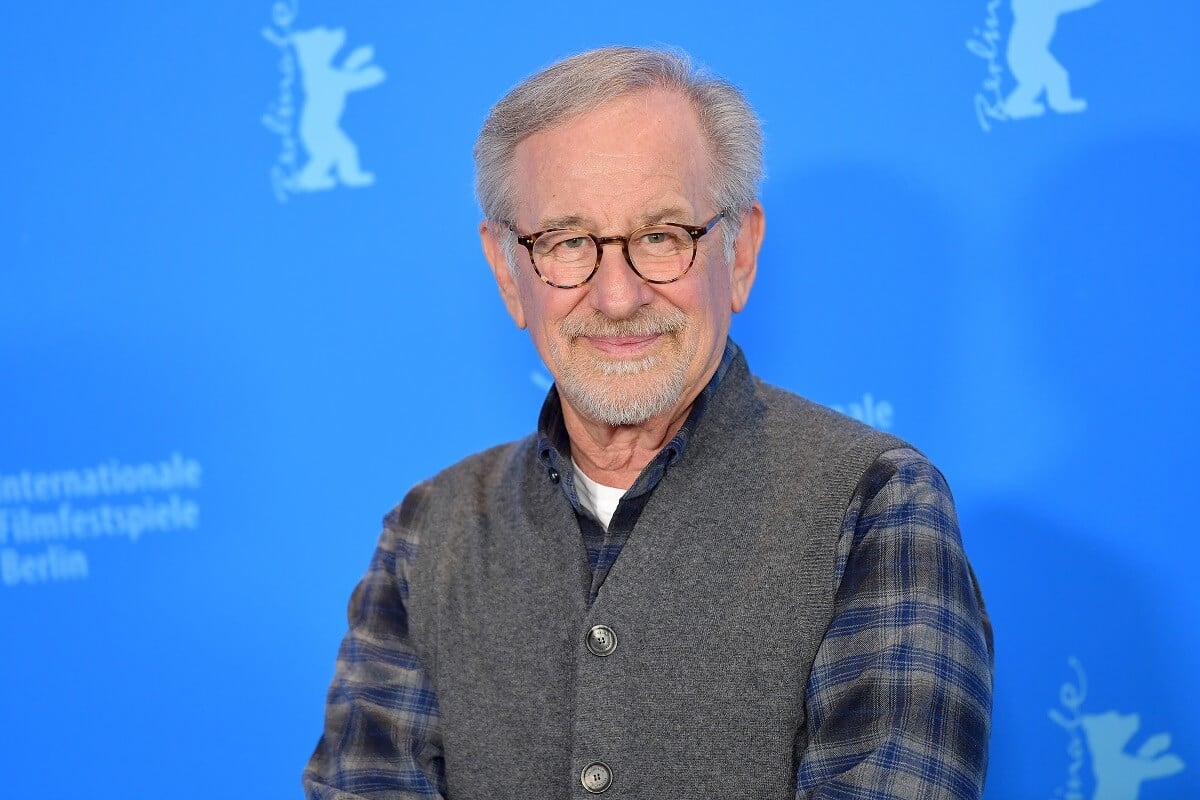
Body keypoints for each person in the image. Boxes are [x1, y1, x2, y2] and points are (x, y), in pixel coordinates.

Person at [303, 45, 993, 799]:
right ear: (508, 273)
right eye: (568, 243)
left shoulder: (877, 504)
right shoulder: (424, 533)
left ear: (741, 252)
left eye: (662, 236)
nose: (619, 296)